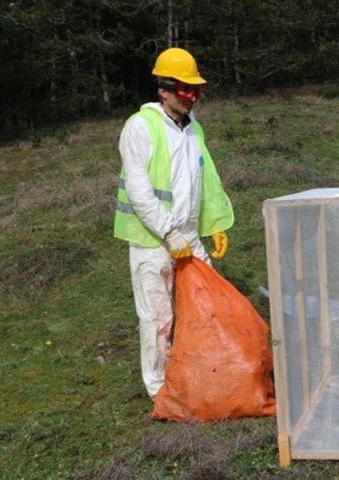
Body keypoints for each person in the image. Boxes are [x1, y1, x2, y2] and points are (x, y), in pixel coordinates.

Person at [113, 47, 234, 399]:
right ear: (163, 89)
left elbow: (205, 177)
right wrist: (167, 232)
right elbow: (138, 191)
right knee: (157, 318)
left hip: (190, 236)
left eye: (196, 90)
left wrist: (214, 224)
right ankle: (161, 389)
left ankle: (200, 371)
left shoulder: (193, 127)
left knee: (203, 308)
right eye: (184, 89)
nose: (192, 97)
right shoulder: (140, 128)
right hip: (153, 240)